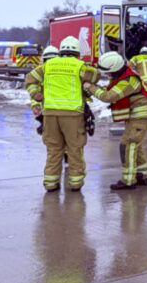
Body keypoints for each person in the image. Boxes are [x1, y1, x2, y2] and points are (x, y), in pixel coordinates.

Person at [25, 36, 101, 192]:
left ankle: (51, 183)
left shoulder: (48, 65)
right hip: (72, 115)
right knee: (74, 149)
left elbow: (30, 79)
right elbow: (96, 76)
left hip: (50, 114)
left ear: (61, 52)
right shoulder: (80, 66)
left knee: (54, 149)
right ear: (77, 53)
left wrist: (36, 95)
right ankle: (75, 183)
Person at [86, 52, 147, 190]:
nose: (109, 76)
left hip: (140, 115)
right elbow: (110, 91)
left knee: (128, 145)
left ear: (116, 69)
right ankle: (141, 175)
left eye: (110, 73)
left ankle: (128, 181)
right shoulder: (125, 77)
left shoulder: (128, 81)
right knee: (135, 145)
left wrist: (91, 88)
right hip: (138, 114)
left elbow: (108, 96)